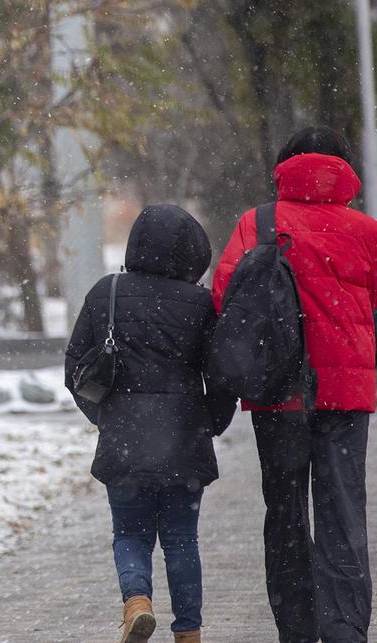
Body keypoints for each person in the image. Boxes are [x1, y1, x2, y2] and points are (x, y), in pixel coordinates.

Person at [212, 126, 377, 643]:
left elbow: (226, 299)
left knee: (284, 512)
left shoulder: (256, 223)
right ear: (344, 169)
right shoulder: (366, 231)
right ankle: (346, 628)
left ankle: (297, 628)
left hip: (277, 391)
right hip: (347, 396)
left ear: (283, 168)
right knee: (343, 509)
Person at [66, 205, 237, 643]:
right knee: (182, 541)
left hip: (124, 442)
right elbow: (220, 373)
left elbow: (76, 368)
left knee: (129, 533)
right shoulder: (201, 304)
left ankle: (137, 602)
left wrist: (106, 418)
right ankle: (189, 634)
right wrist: (211, 423)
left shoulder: (107, 293)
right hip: (183, 440)